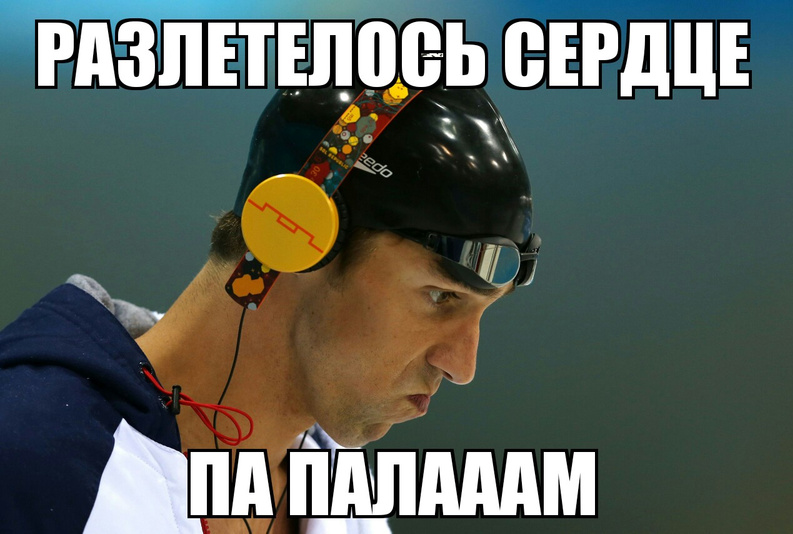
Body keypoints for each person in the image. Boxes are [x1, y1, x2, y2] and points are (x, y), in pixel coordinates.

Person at [0, 83, 540, 534]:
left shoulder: (345, 501)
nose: (462, 366)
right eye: (441, 296)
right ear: (297, 235)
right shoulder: (34, 462)